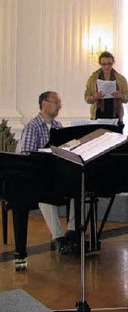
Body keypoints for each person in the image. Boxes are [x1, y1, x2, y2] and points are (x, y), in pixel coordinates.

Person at [17, 91, 76, 253]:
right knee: (44, 195)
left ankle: (72, 231)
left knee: (79, 188)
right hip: (38, 175)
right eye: (56, 102)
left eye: (59, 103)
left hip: (55, 174)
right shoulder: (32, 126)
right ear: (44, 103)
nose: (59, 106)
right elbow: (27, 155)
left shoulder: (58, 127)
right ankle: (58, 237)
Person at [84, 51, 128, 126]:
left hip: (115, 115)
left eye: (109, 63)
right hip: (97, 115)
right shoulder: (93, 78)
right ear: (100, 64)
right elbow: (86, 98)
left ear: (113, 63)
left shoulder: (121, 79)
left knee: (116, 137)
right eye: (103, 64)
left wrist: (120, 95)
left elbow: (127, 98)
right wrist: (94, 97)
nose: (106, 67)